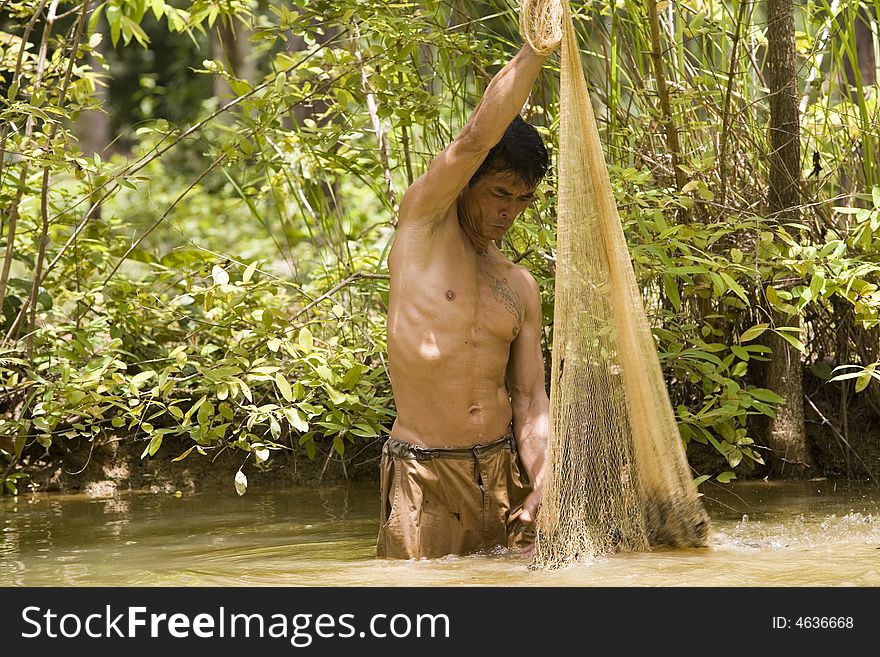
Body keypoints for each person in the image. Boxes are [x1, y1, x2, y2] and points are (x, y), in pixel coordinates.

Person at [376, 36, 559, 559]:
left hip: (502, 476)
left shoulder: (519, 285)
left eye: (522, 200)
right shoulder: (423, 230)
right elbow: (477, 137)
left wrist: (542, 481)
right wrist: (535, 52)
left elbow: (529, 401)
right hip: (425, 476)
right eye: (499, 194)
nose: (509, 212)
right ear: (466, 186)